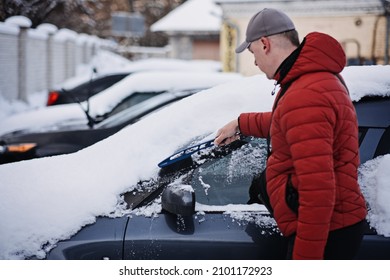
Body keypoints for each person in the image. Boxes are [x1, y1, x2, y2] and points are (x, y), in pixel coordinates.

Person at [214, 8, 367, 260]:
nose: (254, 62)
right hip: (335, 226)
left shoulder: (305, 93)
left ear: (264, 44)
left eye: (253, 52)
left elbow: (317, 190)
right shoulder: (313, 81)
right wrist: (242, 123)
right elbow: (290, 123)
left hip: (325, 234)